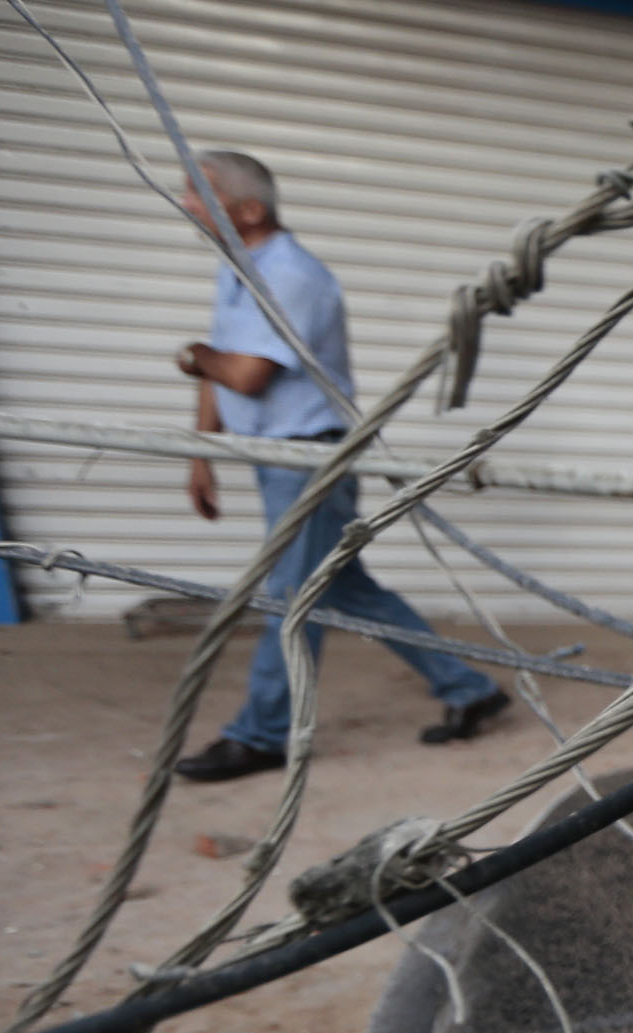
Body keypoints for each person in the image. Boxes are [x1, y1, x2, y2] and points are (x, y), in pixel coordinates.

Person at [169, 150, 505, 783]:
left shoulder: (292, 275)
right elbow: (223, 366)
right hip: (276, 458)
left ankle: (262, 735)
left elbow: (243, 371)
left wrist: (193, 355)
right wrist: (201, 455)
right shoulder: (240, 269)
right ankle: (469, 688)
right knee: (347, 590)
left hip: (310, 461)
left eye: (197, 192)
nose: (185, 203)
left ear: (249, 210)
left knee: (292, 599)